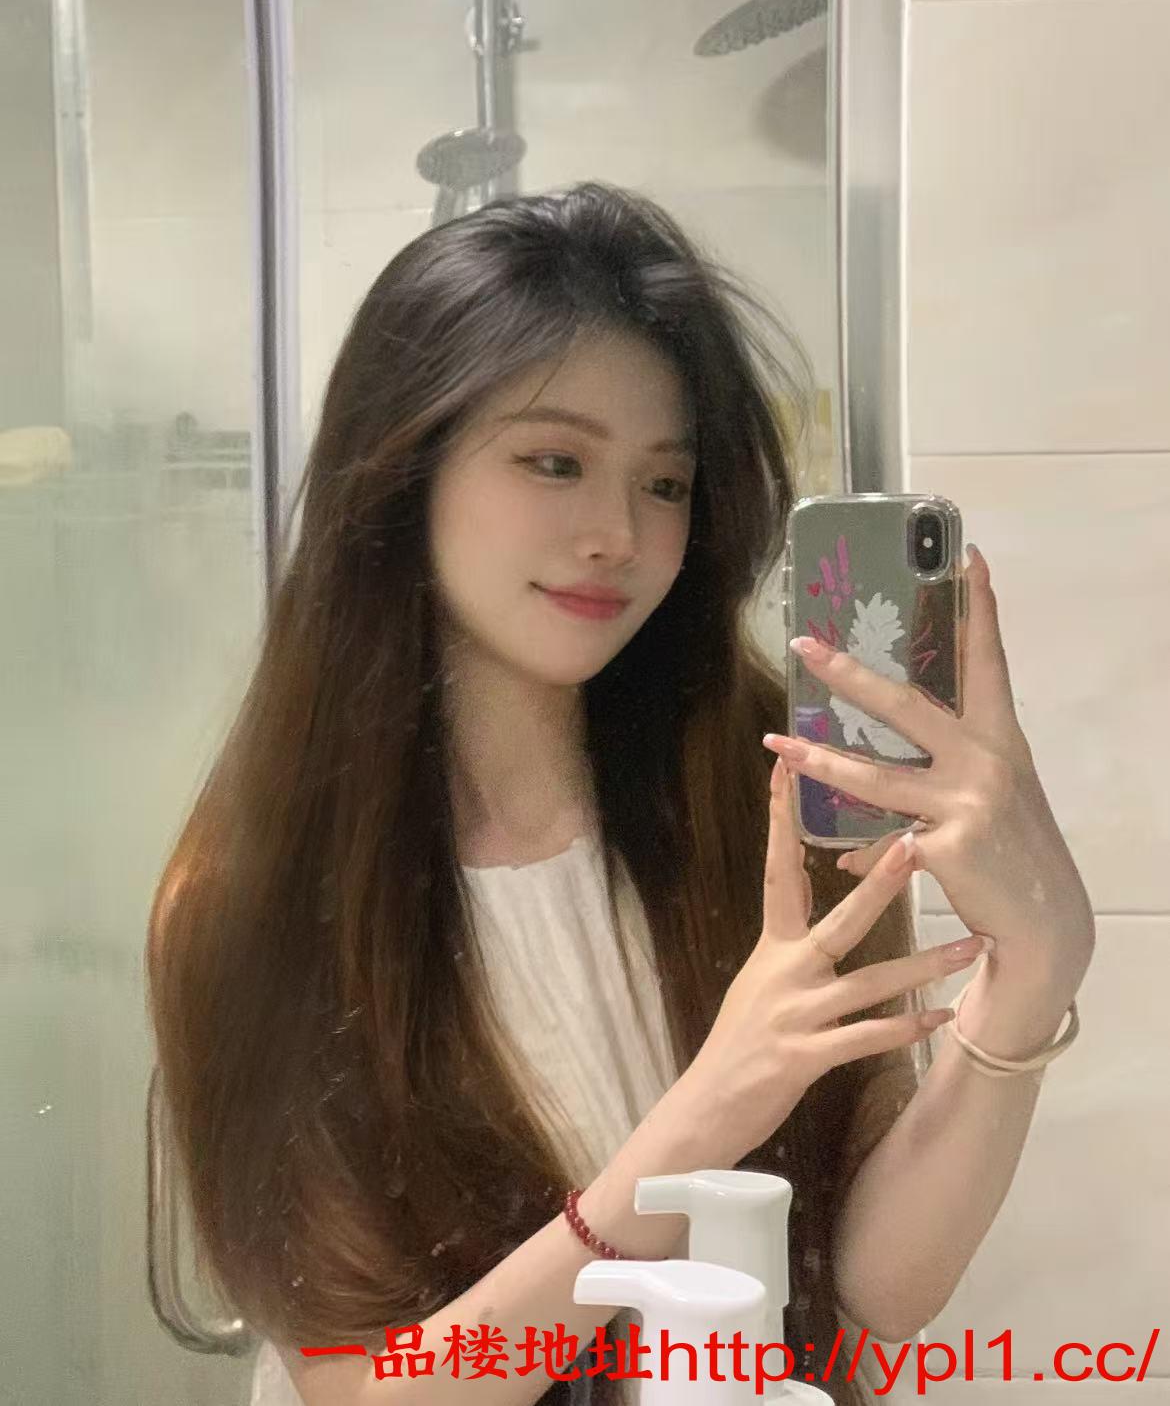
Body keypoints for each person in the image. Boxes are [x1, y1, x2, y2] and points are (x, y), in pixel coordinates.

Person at [145, 181, 1092, 1406]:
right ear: (403, 468)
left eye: (664, 483)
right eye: (554, 461)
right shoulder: (256, 895)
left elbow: (871, 1286)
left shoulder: (765, 786)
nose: (618, 534)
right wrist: (696, 1125)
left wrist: (1037, 971)